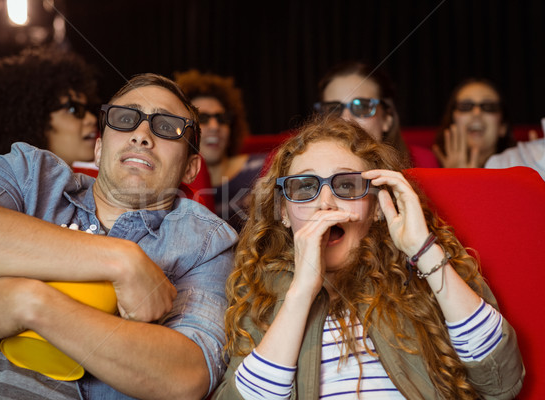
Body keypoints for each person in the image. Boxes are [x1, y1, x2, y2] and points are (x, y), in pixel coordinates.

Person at [0, 73, 238, 399]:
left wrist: (33, 303)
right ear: (99, 148)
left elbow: (188, 377)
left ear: (190, 168)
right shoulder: (30, 172)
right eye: (125, 119)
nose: (141, 136)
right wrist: (119, 261)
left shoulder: (206, 241)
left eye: (167, 126)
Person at [212, 115, 524, 399]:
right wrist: (301, 291)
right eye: (305, 186)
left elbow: (502, 381)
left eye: (347, 185)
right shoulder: (262, 291)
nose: (326, 202)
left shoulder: (417, 273)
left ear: (375, 208)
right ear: (283, 212)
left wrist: (423, 250)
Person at [0, 44, 100, 168]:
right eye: (73, 109)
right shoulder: (0, 192)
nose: (91, 119)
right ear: (33, 121)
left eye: (86, 108)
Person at [175, 69, 266, 230]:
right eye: (202, 118)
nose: (215, 127)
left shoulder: (264, 167)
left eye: (221, 118)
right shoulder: (173, 183)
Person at [314, 61, 439, 168]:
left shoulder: (423, 162)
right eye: (333, 109)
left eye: (362, 107)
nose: (346, 119)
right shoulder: (307, 166)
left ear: (387, 119)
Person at [433, 78, 516, 168]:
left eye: (488, 106)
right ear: (452, 121)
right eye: (465, 106)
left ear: (503, 126)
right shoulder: (425, 166)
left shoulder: (524, 165)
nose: (477, 113)